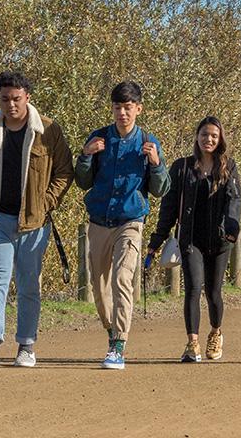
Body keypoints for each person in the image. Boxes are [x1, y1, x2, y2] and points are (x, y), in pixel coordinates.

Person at [0, 72, 73, 368]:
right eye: (4, 99)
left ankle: (26, 346)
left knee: (28, 285)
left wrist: (45, 203)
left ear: (27, 96)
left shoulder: (49, 130)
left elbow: (65, 172)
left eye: (16, 98)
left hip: (34, 224)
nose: (10, 104)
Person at [75, 81, 169, 370]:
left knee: (122, 279)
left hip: (130, 222)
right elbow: (82, 182)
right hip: (99, 222)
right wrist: (86, 155)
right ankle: (111, 330)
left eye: (128, 108)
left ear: (138, 109)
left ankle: (118, 343)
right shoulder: (99, 138)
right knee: (99, 287)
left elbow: (161, 189)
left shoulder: (148, 142)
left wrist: (155, 163)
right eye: (118, 107)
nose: (122, 113)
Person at [147, 116, 241, 363]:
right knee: (192, 289)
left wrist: (230, 231)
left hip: (220, 242)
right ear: (196, 137)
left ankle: (216, 331)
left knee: (213, 292)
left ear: (220, 139)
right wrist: (157, 239)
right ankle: (192, 343)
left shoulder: (228, 167)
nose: (208, 139)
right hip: (191, 241)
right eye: (204, 134)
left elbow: (235, 202)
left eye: (213, 135)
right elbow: (168, 206)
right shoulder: (181, 167)